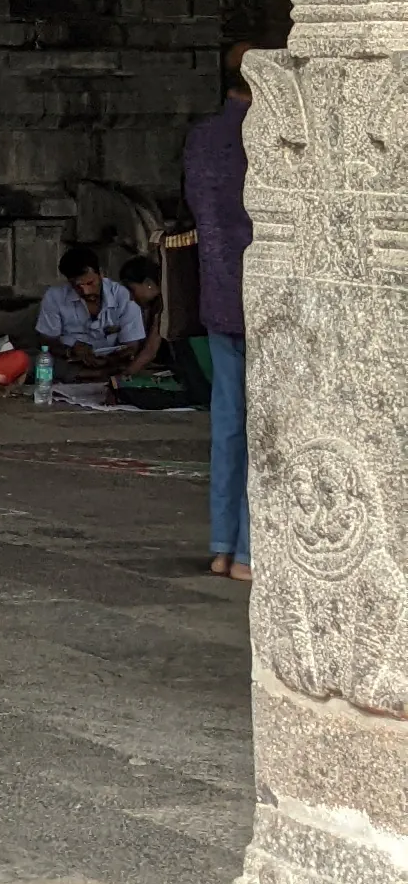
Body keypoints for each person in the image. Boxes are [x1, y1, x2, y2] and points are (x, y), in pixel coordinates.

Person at [184, 49, 253, 577]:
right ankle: (249, 551)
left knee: (228, 422)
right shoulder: (262, 138)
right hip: (262, 295)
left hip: (217, 292)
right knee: (268, 423)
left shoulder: (202, 137)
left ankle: (223, 545)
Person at [31, 244, 153, 392]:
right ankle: (95, 375)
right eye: (78, 286)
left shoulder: (123, 295)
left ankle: (96, 374)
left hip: (112, 362)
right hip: (70, 361)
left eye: (90, 283)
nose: (86, 291)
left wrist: (110, 359)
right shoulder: (54, 296)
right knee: (35, 361)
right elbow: (46, 340)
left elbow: (132, 345)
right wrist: (71, 351)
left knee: (134, 363)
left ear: (101, 273)